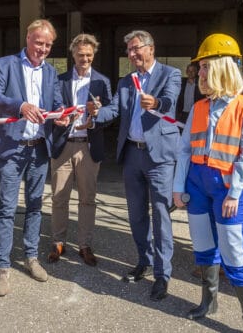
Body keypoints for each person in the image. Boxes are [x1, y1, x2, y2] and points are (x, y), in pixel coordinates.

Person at [173, 33, 243, 333]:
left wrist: (235, 193)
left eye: (206, 66)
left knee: (234, 251)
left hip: (227, 188)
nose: (200, 72)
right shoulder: (199, 107)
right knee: (203, 245)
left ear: (224, 67)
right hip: (197, 184)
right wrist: (178, 187)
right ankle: (208, 301)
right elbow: (184, 150)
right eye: (200, 67)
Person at [88, 30, 181, 301]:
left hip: (160, 157)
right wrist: (95, 114)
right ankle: (145, 260)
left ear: (150, 48)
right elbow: (114, 110)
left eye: (136, 48)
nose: (131, 54)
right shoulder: (126, 81)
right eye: (128, 50)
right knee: (137, 214)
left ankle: (163, 274)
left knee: (161, 215)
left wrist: (157, 102)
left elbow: (169, 101)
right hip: (132, 155)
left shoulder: (169, 74)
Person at [0, 19, 65, 297]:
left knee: (34, 205)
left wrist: (62, 116)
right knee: (7, 208)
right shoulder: (4, 64)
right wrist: (20, 106)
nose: (43, 48)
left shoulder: (52, 72)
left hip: (39, 147)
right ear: (28, 39)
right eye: (39, 42)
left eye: (48, 44)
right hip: (12, 147)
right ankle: (3, 268)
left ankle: (31, 257)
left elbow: (56, 104)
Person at [48, 33, 112, 266]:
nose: (84, 58)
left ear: (93, 55)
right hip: (64, 144)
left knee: (87, 199)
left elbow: (110, 115)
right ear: (72, 54)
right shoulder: (60, 80)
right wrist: (60, 116)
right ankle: (58, 242)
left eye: (88, 55)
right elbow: (52, 108)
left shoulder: (102, 82)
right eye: (80, 54)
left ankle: (84, 245)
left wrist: (97, 116)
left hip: (88, 146)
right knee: (58, 197)